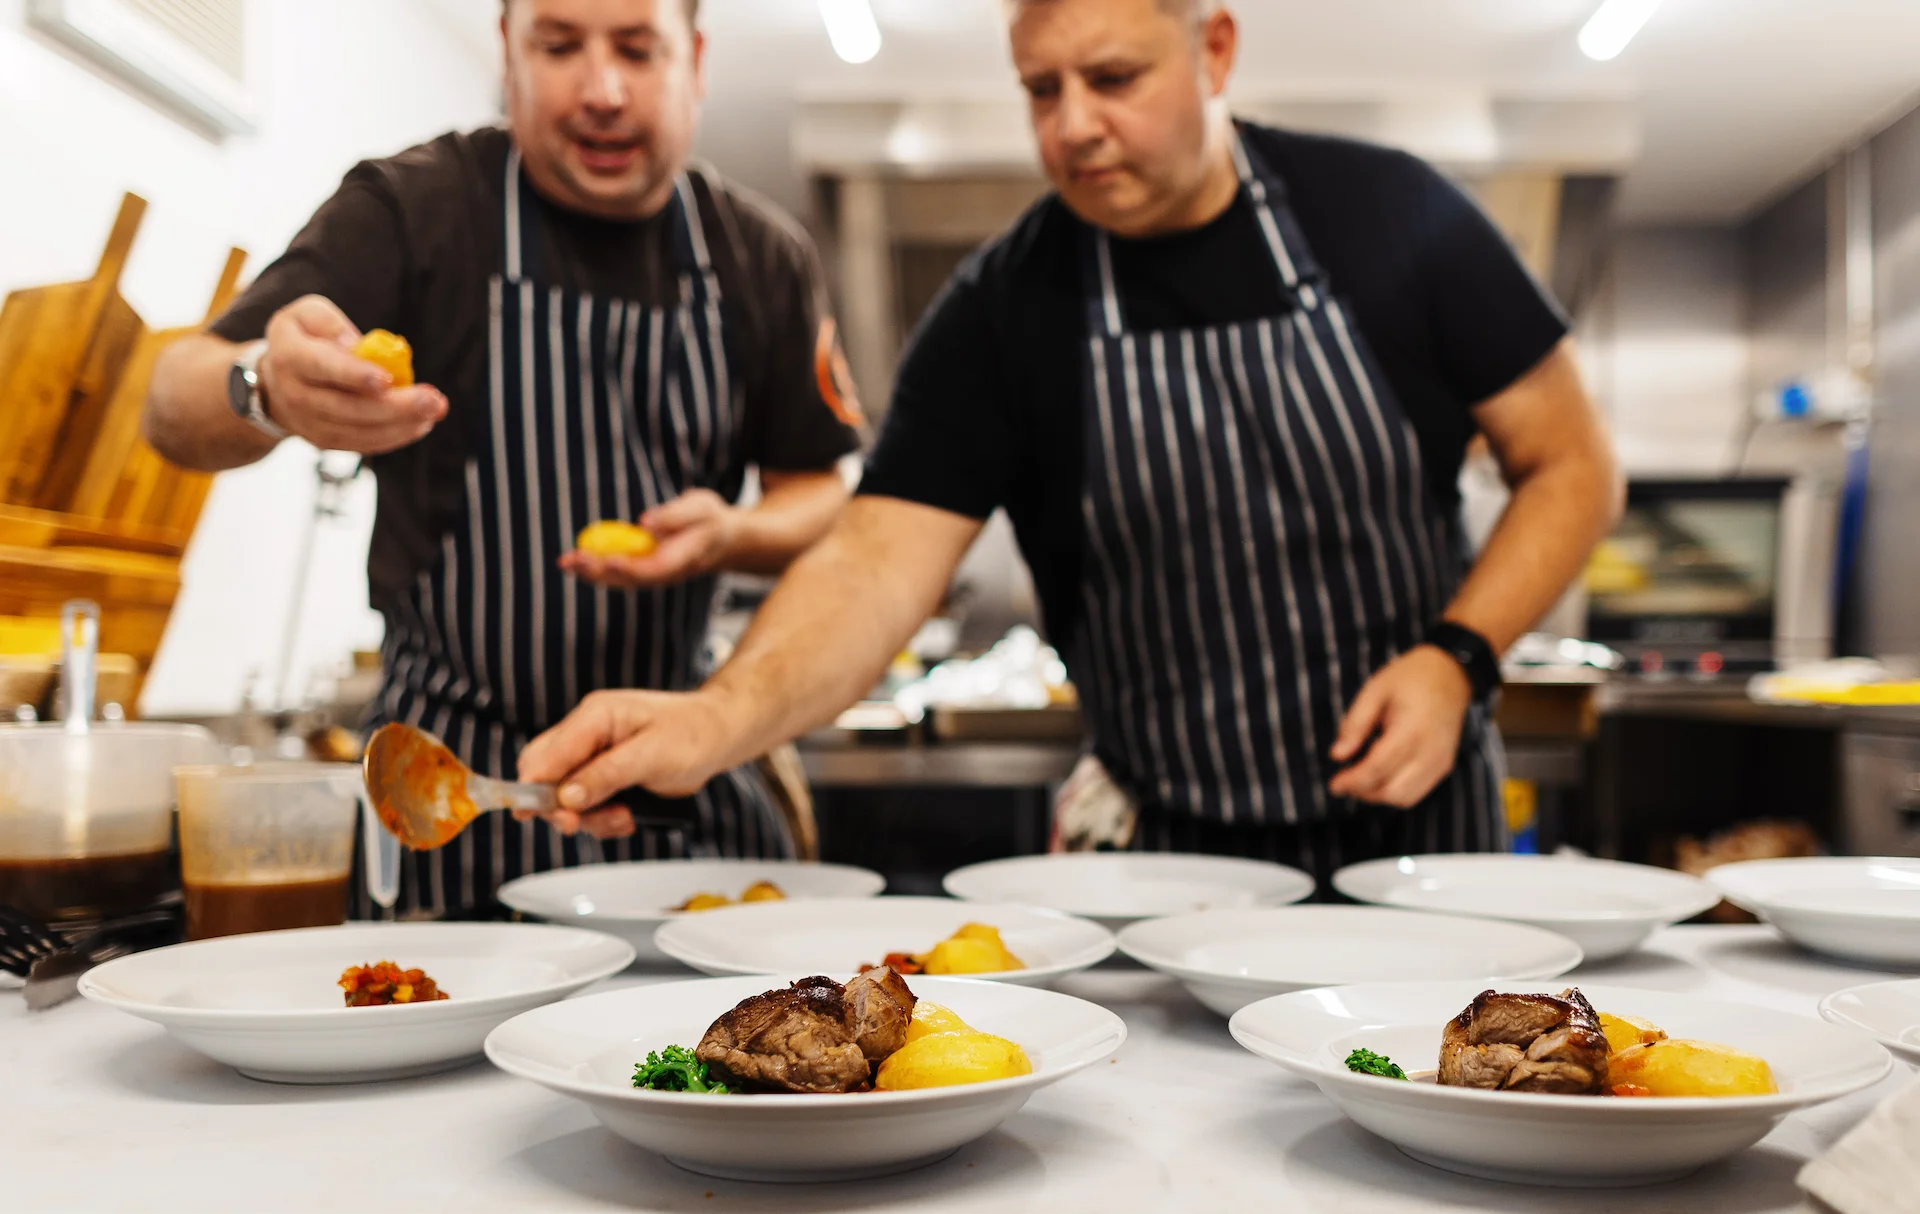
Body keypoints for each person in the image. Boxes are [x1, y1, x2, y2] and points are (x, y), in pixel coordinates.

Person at [516, 0, 1623, 884]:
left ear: (1215, 48)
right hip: (1171, 869)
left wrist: (1458, 656)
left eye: (1114, 78)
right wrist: (717, 718)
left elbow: (1572, 465)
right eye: (1041, 88)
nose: (1073, 124)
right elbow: (872, 560)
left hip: (1423, 843)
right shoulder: (1004, 308)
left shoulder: (1391, 215)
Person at [143, 0, 864, 916]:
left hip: (676, 774)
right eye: (559, 46)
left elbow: (823, 491)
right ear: (509, 56)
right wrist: (263, 387)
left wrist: (731, 532)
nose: (601, 90)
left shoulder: (759, 257)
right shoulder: (414, 211)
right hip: (447, 791)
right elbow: (172, 400)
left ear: (697, 62)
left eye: (637, 51)